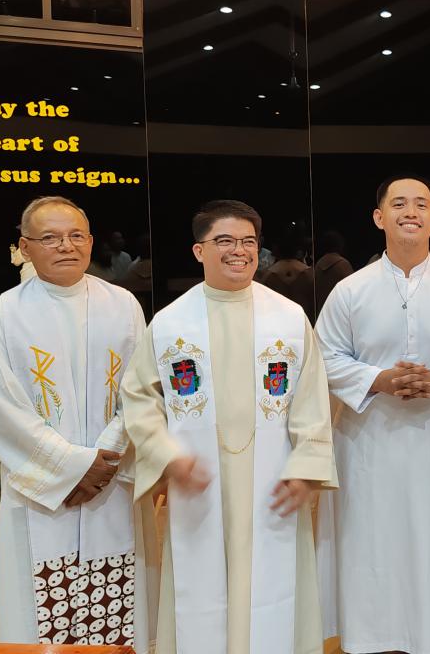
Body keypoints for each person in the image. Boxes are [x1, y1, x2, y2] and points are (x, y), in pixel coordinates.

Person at [120, 199, 337, 654]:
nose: (239, 251)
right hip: (199, 481)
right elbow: (138, 397)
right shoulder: (171, 323)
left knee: (276, 595)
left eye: (248, 241)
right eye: (225, 241)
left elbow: (312, 399)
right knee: (202, 597)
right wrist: (166, 455)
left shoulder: (288, 318)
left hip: (274, 479)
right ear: (199, 251)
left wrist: (306, 467)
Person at [0, 196, 155, 650]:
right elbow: (0, 404)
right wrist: (73, 467)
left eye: (76, 235)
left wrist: (104, 460)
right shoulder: (1, 314)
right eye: (50, 237)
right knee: (41, 616)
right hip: (43, 490)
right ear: (25, 247)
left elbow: (141, 388)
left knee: (119, 608)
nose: (66, 246)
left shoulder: (124, 304)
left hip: (110, 482)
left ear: (91, 242)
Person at [316, 176, 430, 654]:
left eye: (421, 204)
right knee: (373, 541)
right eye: (399, 203)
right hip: (369, 440)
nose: (410, 212)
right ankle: (373, 638)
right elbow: (323, 357)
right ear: (379, 217)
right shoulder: (349, 291)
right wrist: (378, 379)